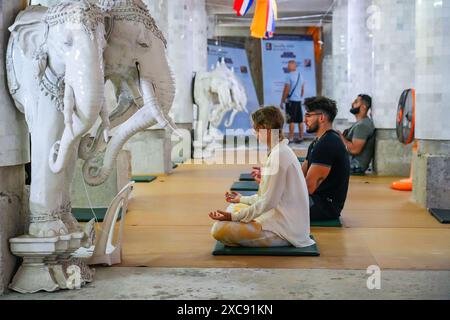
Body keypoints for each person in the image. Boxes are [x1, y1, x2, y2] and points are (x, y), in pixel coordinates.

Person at [209, 106, 315, 248]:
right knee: (233, 207)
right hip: (282, 220)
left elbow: (268, 202)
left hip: (284, 230)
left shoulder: (279, 155)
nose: (256, 135)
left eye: (257, 131)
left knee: (218, 229)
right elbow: (266, 197)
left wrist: (233, 218)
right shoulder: (279, 151)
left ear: (267, 129)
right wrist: (241, 199)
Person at [302, 97, 350, 221]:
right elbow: (300, 174)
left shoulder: (328, 143)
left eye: (308, 115)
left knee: (273, 206)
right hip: (316, 200)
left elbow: (308, 187)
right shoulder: (317, 142)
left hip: (325, 207)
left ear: (322, 117)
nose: (304, 120)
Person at [338, 94, 376, 175]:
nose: (352, 103)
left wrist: (340, 136)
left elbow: (355, 149)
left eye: (356, 102)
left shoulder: (362, 125)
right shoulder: (360, 123)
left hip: (355, 166)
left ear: (363, 107)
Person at [280, 60, 305, 144]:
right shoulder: (300, 75)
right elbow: (302, 90)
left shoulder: (289, 76)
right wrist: (299, 96)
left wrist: (282, 100)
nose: (288, 67)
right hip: (298, 101)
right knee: (300, 120)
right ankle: (301, 137)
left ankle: (291, 138)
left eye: (289, 65)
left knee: (291, 120)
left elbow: (286, 89)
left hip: (291, 102)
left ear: (293, 66)